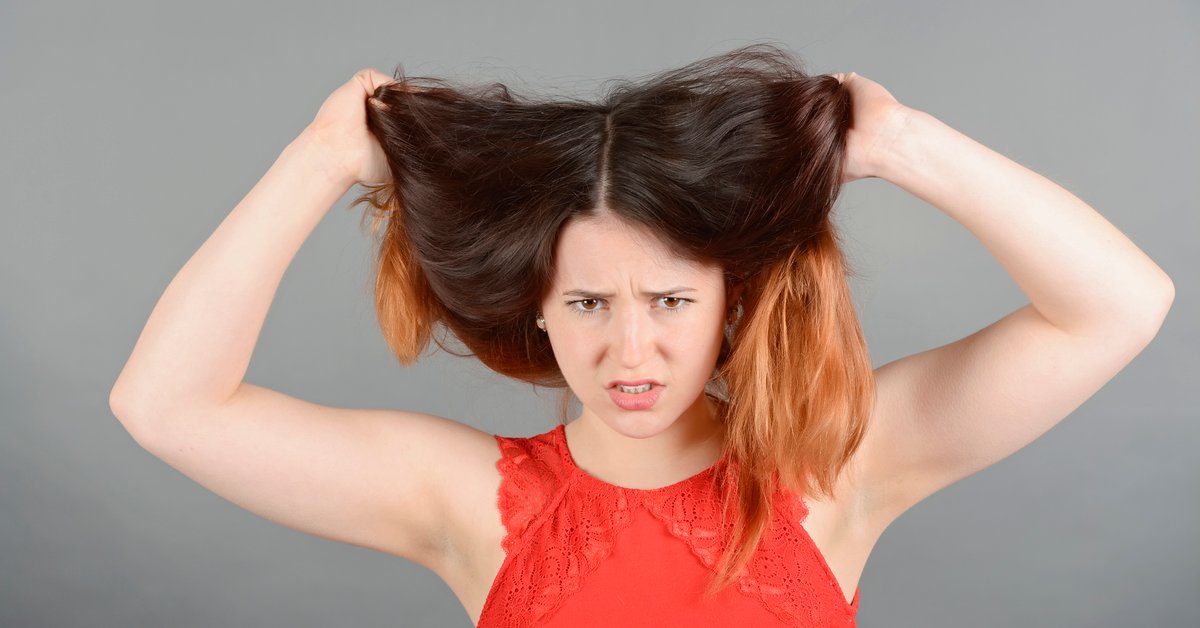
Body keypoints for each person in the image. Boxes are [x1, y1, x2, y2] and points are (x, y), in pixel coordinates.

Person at [109, 44, 1174, 627]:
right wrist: (320, 157)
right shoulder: (464, 501)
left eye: (668, 301)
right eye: (588, 303)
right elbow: (164, 406)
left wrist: (902, 145)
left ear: (731, 302)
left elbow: (1119, 302)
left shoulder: (838, 470)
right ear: (537, 305)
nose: (630, 350)